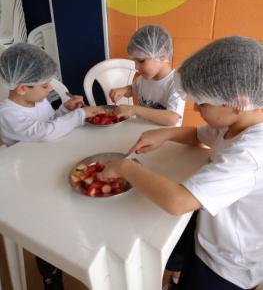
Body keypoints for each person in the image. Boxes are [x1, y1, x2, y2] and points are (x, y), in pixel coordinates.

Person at [98, 36, 263, 290]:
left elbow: (178, 202)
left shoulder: (249, 156)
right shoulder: (235, 124)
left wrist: (124, 167)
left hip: (227, 264)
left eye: (203, 102)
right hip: (211, 234)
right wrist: (165, 134)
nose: (196, 108)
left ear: (238, 102)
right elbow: (198, 134)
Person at [0, 43, 105, 290]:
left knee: (65, 216)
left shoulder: (38, 102)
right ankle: (50, 274)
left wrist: (63, 110)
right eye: (46, 85)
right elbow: (43, 133)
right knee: (44, 230)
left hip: (48, 165)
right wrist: (79, 116)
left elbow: (50, 123)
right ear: (22, 88)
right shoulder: (7, 112)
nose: (50, 89)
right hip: (28, 179)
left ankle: (70, 251)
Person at [109, 24, 185, 126]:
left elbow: (171, 118)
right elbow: (133, 89)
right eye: (135, 62)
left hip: (166, 140)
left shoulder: (176, 83)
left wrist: (135, 110)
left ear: (162, 54)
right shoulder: (143, 79)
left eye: (141, 61)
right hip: (142, 134)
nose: (136, 67)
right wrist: (123, 90)